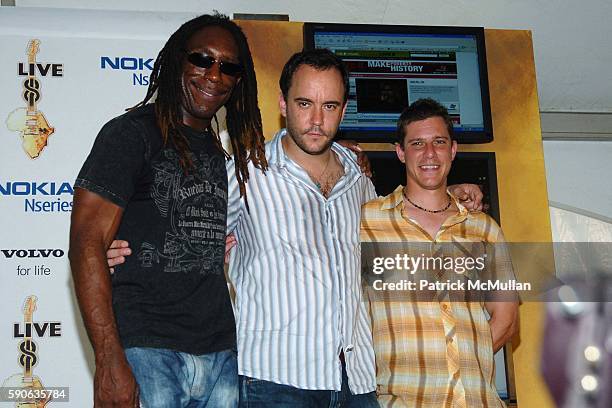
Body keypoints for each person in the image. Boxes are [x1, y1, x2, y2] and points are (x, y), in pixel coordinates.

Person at [107, 50, 483, 406]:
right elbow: (181, 230)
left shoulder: (360, 180)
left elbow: (405, 216)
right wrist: (125, 249)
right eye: (305, 104)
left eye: (329, 106)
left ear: (343, 110)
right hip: (274, 382)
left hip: (359, 382)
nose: (317, 120)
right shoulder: (245, 173)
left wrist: (449, 192)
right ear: (284, 105)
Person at [69, 13, 267, 408]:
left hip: (219, 355)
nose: (214, 75)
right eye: (202, 59)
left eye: (229, 67)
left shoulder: (216, 151)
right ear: (178, 59)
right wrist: (109, 361)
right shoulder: (131, 133)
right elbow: (86, 243)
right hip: (148, 351)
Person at [361, 98, 519, 407]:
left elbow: (507, 319)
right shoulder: (365, 221)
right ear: (400, 152)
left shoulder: (484, 229)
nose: (429, 153)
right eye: (417, 143)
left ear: (453, 150)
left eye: (439, 142)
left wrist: (464, 362)